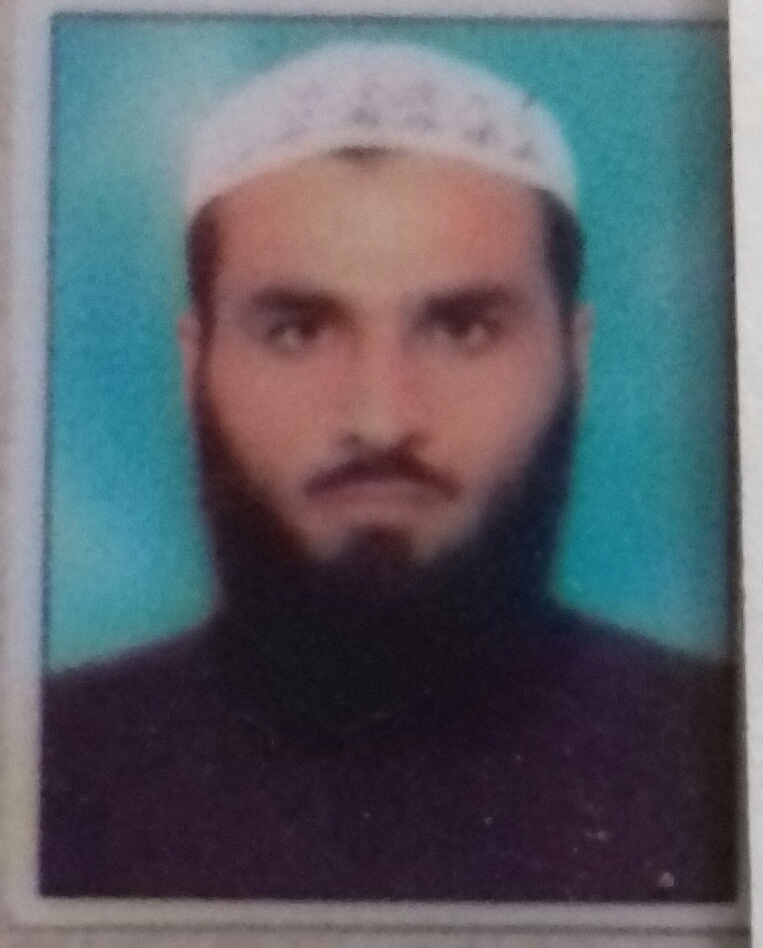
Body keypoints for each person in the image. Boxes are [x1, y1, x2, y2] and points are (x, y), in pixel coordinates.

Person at [40, 41, 736, 902]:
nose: (380, 416)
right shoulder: (39, 774)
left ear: (574, 358)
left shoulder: (723, 759)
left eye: (463, 328)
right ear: (195, 367)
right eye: (297, 330)